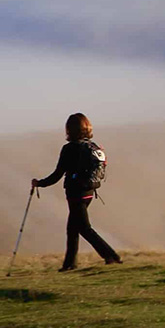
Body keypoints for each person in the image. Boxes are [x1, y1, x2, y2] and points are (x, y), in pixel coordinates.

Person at [32, 112, 122, 271]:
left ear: (70, 129)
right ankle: (69, 264)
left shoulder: (69, 149)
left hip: (76, 193)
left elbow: (57, 175)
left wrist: (40, 183)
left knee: (84, 228)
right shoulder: (93, 146)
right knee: (73, 228)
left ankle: (111, 256)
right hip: (89, 192)